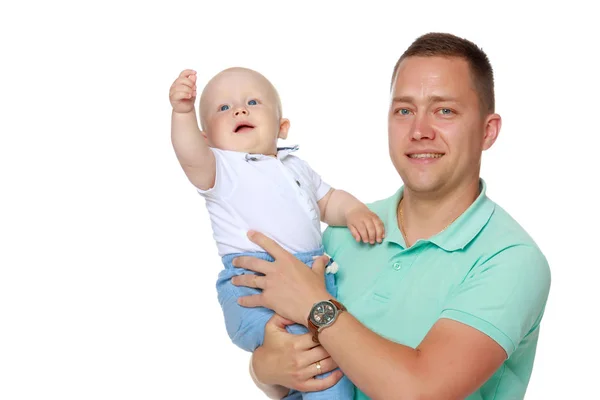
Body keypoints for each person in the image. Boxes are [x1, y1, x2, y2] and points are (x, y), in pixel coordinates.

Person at [233, 33, 552, 399]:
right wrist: (265, 370)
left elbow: (420, 390)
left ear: (487, 131)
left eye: (444, 110)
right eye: (404, 110)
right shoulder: (344, 229)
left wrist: (314, 305)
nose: (419, 131)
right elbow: (290, 362)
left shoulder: (511, 260)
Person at [169, 67, 386, 399]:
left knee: (322, 360)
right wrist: (182, 113)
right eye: (224, 108)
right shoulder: (221, 168)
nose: (239, 110)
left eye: (252, 102)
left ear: (282, 127)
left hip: (312, 280)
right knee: (322, 364)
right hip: (254, 283)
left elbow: (329, 201)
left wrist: (354, 210)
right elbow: (188, 155)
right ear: (206, 137)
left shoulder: (296, 166)